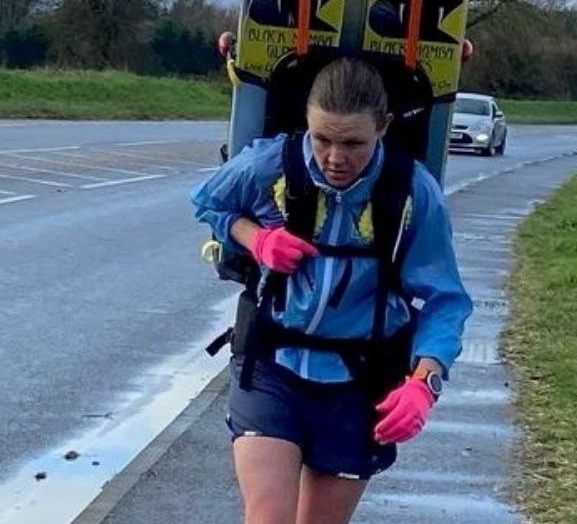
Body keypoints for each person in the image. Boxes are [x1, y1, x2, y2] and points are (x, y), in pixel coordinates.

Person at [190, 56, 473, 524]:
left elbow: (446, 299)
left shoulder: (412, 192)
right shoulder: (272, 162)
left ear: (382, 127)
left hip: (360, 383)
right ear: (306, 120)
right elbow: (208, 201)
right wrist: (255, 238)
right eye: (321, 139)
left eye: (353, 143)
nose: (335, 158)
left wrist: (424, 382)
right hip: (273, 366)